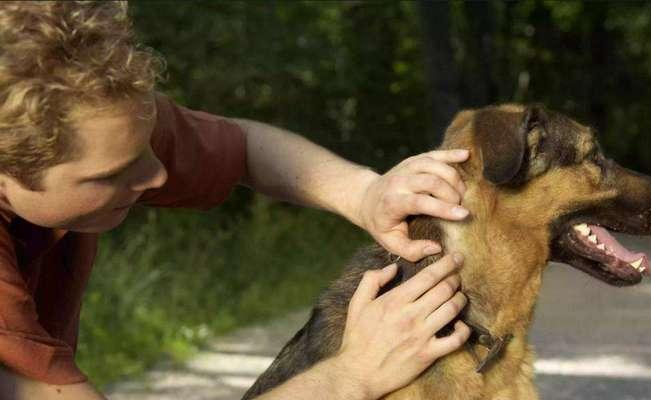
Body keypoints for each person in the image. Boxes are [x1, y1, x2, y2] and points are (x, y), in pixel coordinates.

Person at [0, 2, 472, 399]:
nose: (157, 173)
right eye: (112, 174)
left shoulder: (94, 120)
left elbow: (243, 149)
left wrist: (366, 193)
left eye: (147, 145)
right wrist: (351, 375)